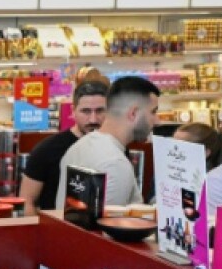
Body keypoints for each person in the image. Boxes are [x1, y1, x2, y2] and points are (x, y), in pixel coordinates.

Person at [56, 76, 160, 210]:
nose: (157, 121)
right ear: (133, 113)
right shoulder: (115, 164)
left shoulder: (79, 147)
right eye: (153, 112)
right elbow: (105, 230)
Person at [20, 81, 109, 215]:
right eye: (86, 111)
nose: (93, 119)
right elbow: (27, 201)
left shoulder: (113, 149)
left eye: (100, 111)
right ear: (73, 111)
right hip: (56, 231)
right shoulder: (47, 150)